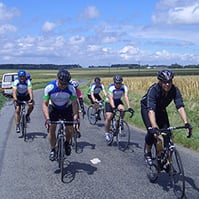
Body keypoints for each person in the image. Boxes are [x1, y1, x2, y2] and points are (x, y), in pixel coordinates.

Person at [140, 69, 192, 165]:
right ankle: (147, 152)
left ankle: (167, 161)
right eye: (165, 82)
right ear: (160, 82)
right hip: (147, 109)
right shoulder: (154, 90)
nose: (167, 84)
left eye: (169, 82)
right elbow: (151, 110)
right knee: (153, 132)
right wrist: (154, 127)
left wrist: (186, 123)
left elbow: (180, 107)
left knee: (167, 133)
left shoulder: (174, 90)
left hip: (161, 110)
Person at [42, 68, 79, 161]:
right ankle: (53, 149)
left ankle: (67, 143)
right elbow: (45, 104)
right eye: (61, 83)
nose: (63, 86)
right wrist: (47, 119)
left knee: (70, 129)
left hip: (67, 108)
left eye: (65, 84)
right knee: (52, 128)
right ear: (57, 79)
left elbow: (75, 104)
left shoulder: (71, 88)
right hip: (53, 108)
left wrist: (75, 118)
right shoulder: (49, 87)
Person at [104, 74, 134, 144]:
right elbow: (111, 98)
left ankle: (119, 123)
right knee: (109, 117)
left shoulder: (124, 87)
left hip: (118, 101)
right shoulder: (111, 88)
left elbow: (126, 97)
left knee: (123, 109)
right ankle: (107, 134)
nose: (118, 84)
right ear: (114, 82)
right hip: (109, 102)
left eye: (119, 83)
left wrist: (129, 107)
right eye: (116, 83)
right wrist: (113, 107)